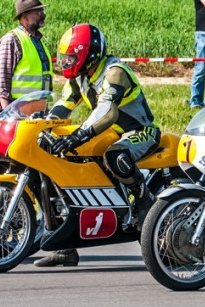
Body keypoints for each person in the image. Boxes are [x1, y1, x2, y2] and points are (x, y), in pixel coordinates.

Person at [34, 24, 159, 267]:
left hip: (139, 131)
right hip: (109, 132)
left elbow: (107, 111)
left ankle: (144, 200)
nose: (66, 61)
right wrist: (42, 126)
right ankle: (65, 247)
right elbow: (65, 104)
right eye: (65, 57)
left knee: (115, 155)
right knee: (56, 161)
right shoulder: (80, 77)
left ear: (88, 54)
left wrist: (79, 135)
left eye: (71, 56)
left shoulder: (114, 72)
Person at [0, 0, 53, 109]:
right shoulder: (11, 40)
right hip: (18, 109)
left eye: (43, 10)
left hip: (39, 108)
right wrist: (7, 113)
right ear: (25, 17)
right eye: (38, 12)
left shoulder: (38, 42)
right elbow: (2, 81)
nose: (43, 15)